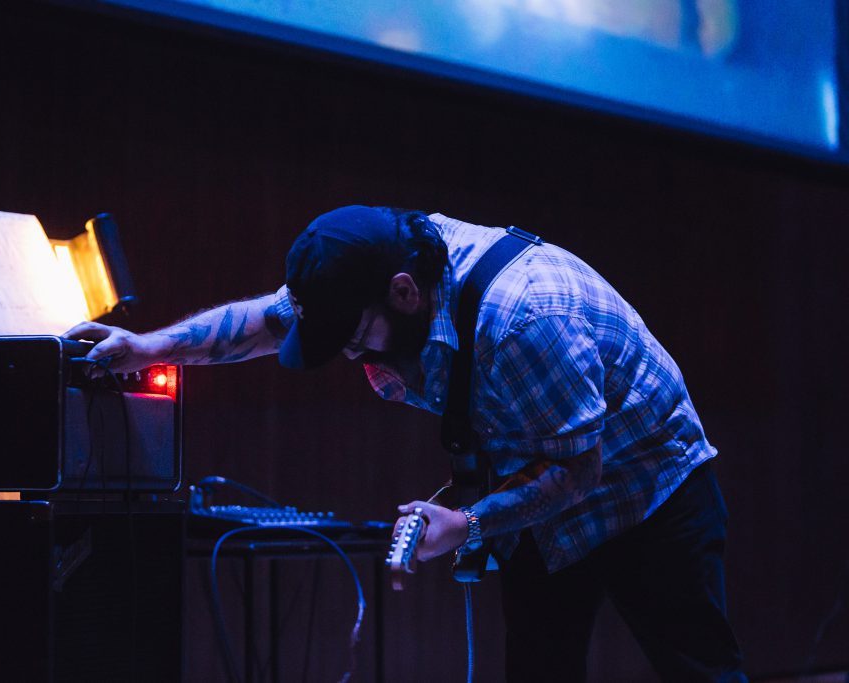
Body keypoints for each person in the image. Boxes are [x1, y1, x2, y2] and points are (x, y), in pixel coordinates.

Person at [65, 205, 745, 682]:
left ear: (404, 292)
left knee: (699, 669)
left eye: (357, 337)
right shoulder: (368, 269)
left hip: (646, 488)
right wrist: (148, 347)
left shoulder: (524, 318)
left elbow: (579, 467)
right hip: (546, 488)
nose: (354, 356)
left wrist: (470, 520)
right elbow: (267, 322)